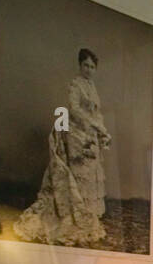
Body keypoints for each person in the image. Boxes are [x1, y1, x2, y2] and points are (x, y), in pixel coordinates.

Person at [14, 48, 113, 247]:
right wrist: (95, 126)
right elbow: (74, 110)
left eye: (92, 67)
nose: (89, 69)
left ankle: (87, 213)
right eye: (85, 65)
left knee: (90, 171)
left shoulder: (92, 87)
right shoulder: (75, 85)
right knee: (78, 172)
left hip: (91, 131)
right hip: (76, 131)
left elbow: (97, 112)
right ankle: (74, 211)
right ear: (80, 65)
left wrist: (103, 131)